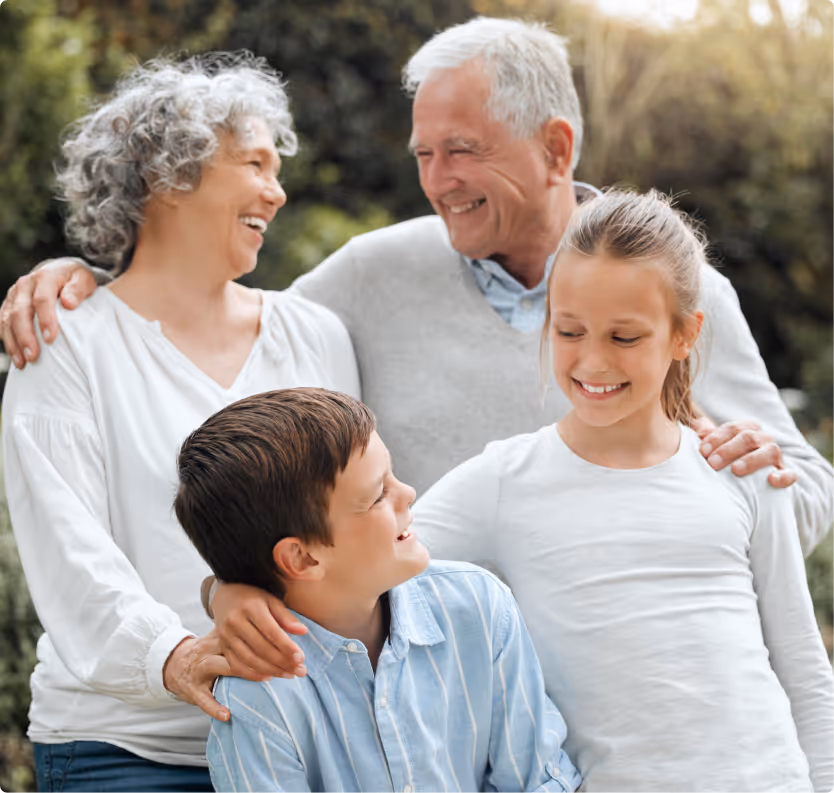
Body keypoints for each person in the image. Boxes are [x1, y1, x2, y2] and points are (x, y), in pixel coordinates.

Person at [4, 18, 833, 675]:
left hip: (636, 682)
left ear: (555, 148)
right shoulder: (372, 274)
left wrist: (738, 477)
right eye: (424, 154)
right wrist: (84, 271)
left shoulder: (680, 293)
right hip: (439, 697)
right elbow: (202, 328)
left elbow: (806, 495)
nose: (437, 180)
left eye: (463, 150)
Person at [2, 53, 359, 791]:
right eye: (255, 163)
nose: (278, 189)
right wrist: (179, 653)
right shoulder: (64, 344)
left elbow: (350, 522)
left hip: (297, 735)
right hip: (128, 750)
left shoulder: (313, 334)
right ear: (168, 175)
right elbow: (70, 554)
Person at [414, 189, 834, 791]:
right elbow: (364, 567)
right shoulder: (505, 480)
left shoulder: (739, 473)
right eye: (570, 330)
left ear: (685, 335)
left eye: (625, 337)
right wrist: (228, 596)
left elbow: (806, 675)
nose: (592, 361)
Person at [175, 387, 582, 792]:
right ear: (304, 559)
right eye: (377, 496)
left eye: (393, 474)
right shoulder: (256, 697)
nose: (408, 493)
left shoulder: (479, 606)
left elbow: (538, 780)